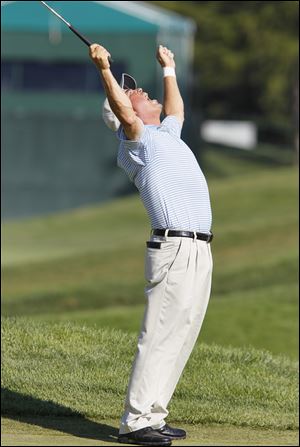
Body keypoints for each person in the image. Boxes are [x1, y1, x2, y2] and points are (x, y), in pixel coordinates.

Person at [89, 43, 213, 447]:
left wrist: (170, 69)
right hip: (173, 247)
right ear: (128, 109)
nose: (140, 91)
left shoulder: (166, 134)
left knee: (182, 334)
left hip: (200, 248)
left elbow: (177, 111)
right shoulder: (137, 141)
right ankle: (135, 421)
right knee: (159, 334)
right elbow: (123, 110)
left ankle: (154, 414)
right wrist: (104, 68)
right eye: (134, 92)